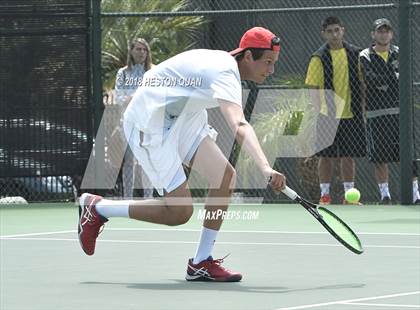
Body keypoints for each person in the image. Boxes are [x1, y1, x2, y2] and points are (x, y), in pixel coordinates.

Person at [78, 27, 286, 282]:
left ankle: (201, 263)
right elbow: (239, 124)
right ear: (247, 57)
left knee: (224, 177)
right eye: (267, 62)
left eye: (274, 63)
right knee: (179, 212)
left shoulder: (224, 65)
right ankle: (98, 208)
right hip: (150, 121)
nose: (271, 69)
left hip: (183, 115)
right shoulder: (224, 71)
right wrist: (266, 167)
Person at [305, 16, 366, 205]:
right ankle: (325, 196)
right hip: (327, 115)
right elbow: (314, 88)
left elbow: (363, 84)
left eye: (337, 30)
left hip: (352, 113)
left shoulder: (356, 54)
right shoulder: (318, 57)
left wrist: (362, 108)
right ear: (324, 33)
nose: (334, 34)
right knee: (326, 157)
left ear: (343, 30)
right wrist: (319, 111)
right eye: (330, 31)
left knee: (348, 156)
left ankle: (350, 197)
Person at [359, 18, 420, 204]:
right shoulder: (365, 55)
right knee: (380, 157)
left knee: (407, 155)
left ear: (392, 34)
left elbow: (404, 78)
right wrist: (392, 77)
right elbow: (370, 79)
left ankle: (416, 195)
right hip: (375, 114)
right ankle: (385, 196)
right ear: (373, 34)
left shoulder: (400, 53)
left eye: (386, 31)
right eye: (379, 31)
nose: (383, 34)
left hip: (400, 114)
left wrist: (386, 80)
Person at [114, 38, 154, 199]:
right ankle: (127, 198)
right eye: (138, 49)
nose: (142, 52)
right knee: (130, 162)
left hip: (149, 123)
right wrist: (137, 96)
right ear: (131, 51)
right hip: (129, 123)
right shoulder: (122, 73)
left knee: (148, 161)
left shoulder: (153, 72)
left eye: (145, 50)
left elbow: (156, 97)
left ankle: (149, 197)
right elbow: (119, 98)